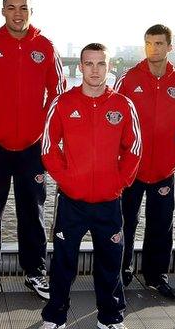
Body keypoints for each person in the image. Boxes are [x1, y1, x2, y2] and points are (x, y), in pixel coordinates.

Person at [0, 0, 66, 301]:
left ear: (31, 11)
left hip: (32, 148)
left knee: (32, 213)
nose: (18, 13)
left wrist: (42, 128)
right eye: (12, 8)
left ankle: (35, 272)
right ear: (3, 11)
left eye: (23, 8)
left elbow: (59, 94)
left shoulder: (45, 47)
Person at [39, 43, 140, 329]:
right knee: (63, 263)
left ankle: (110, 317)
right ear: (80, 67)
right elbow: (48, 147)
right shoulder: (63, 103)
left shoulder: (123, 105)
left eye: (101, 64)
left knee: (110, 264)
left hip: (109, 202)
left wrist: (119, 182)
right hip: (72, 201)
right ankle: (55, 315)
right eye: (89, 64)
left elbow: (134, 149)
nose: (95, 70)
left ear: (109, 67)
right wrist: (67, 178)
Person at [114, 24, 175, 300]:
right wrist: (120, 158)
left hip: (163, 170)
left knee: (161, 224)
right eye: (149, 43)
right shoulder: (128, 79)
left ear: (169, 47)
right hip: (131, 170)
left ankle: (156, 276)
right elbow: (112, 117)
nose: (154, 49)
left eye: (159, 44)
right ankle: (122, 272)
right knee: (125, 222)